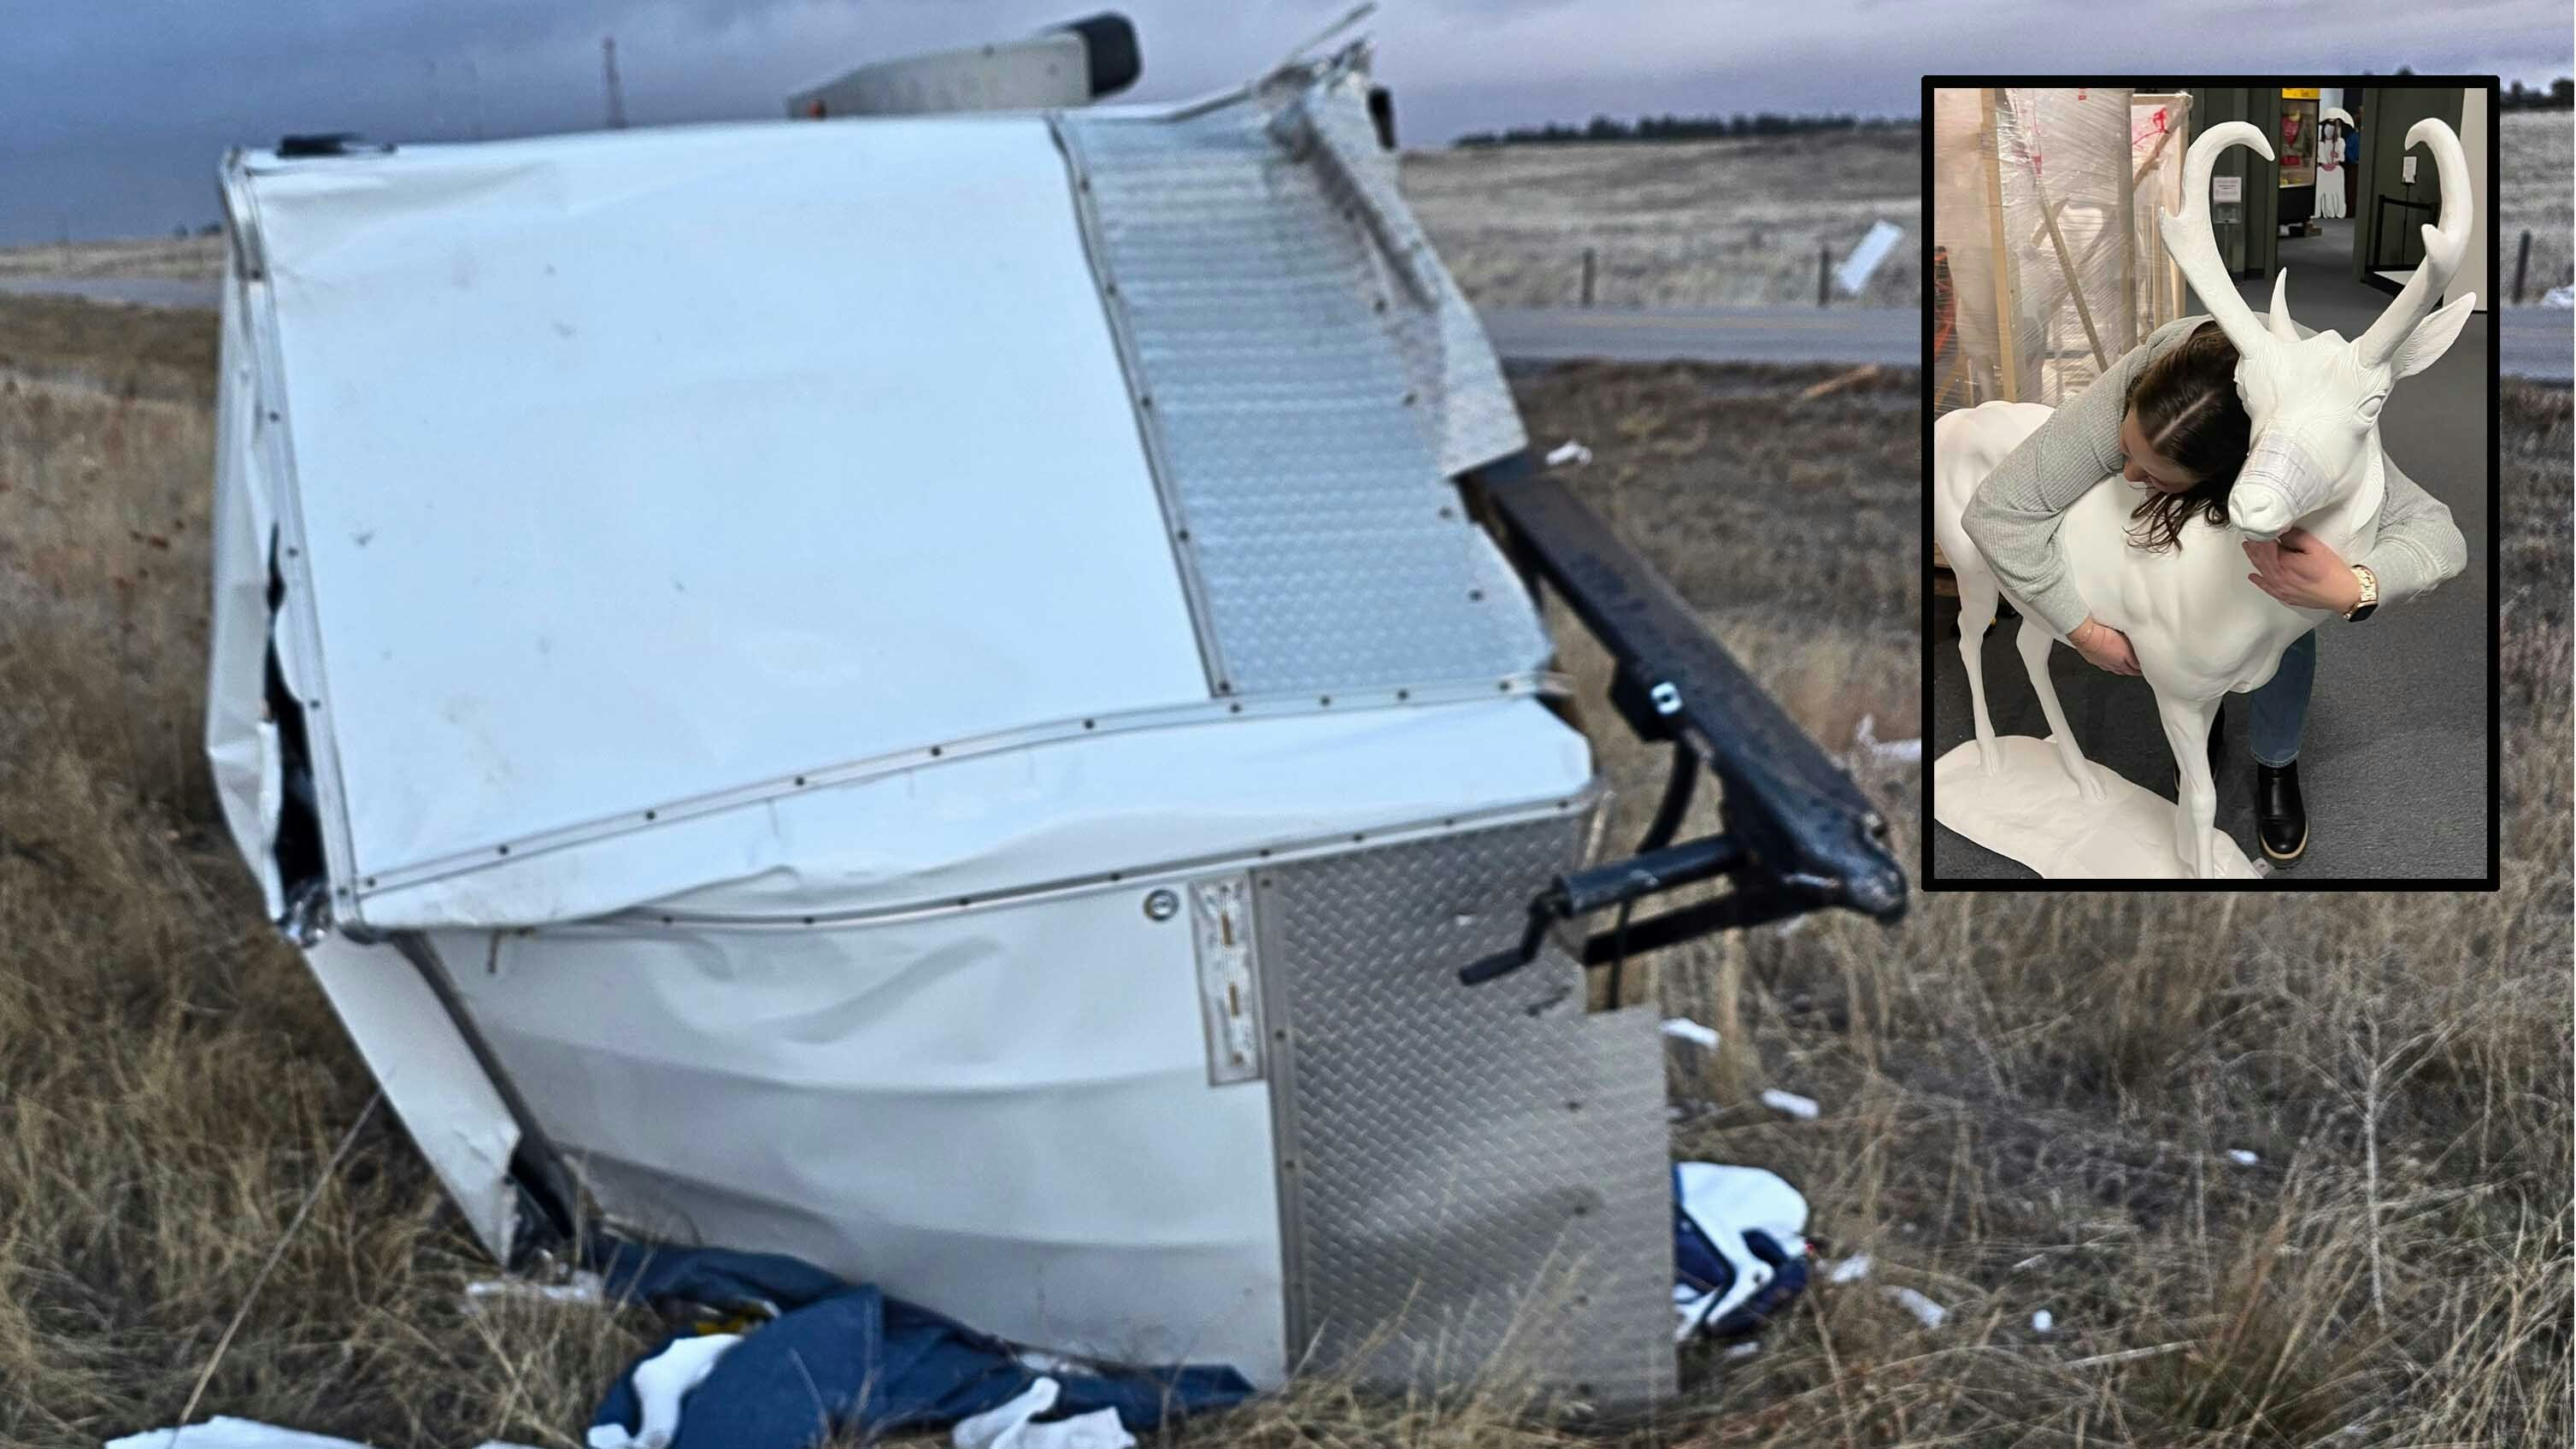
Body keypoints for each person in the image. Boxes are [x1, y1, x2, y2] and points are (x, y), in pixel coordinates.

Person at [1961, 315, 2466, 865]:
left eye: (2154, 476)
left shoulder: (2320, 415)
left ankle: (2277, 759)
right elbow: (1997, 512)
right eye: (2125, 448)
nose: (2128, 476)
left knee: (2287, 612)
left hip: (2283, 481)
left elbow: (2438, 536)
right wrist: (2082, 630)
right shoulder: (2155, 374)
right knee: (2205, 639)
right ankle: (2206, 717)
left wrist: (2353, 587)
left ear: (2231, 472)